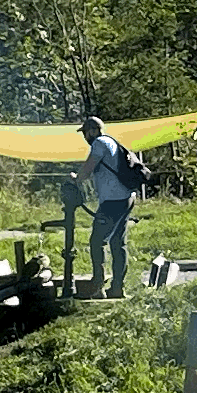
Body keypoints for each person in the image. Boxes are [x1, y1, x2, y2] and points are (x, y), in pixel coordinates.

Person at [77, 113, 142, 296]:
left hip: (113, 201)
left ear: (93, 131)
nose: (85, 137)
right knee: (117, 243)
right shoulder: (112, 142)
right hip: (126, 197)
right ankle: (117, 288)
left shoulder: (99, 143)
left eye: (85, 133)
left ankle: (97, 287)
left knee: (97, 241)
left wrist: (77, 179)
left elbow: (88, 168)